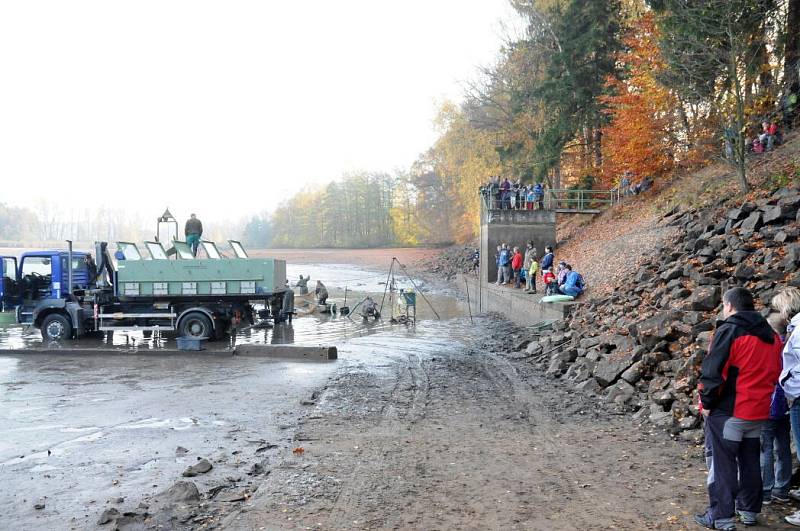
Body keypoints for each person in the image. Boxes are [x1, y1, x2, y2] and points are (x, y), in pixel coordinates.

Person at [695, 288, 782, 530]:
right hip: (758, 410)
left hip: (730, 411)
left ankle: (720, 516)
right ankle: (749, 511)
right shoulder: (772, 336)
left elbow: (713, 371)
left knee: (722, 464)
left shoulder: (729, 330)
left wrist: (707, 403)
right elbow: (775, 372)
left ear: (730, 306)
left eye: (724, 305)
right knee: (750, 461)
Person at [771, 288, 800, 525]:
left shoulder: (797, 332)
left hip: (793, 397)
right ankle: (783, 489)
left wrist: (789, 384)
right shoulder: (792, 331)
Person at [761, 313, 791, 506]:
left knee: (765, 448)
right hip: (787, 404)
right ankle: (782, 489)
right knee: (783, 447)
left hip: (769, 404)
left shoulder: (769, 348)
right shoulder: (790, 345)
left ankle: (765, 490)